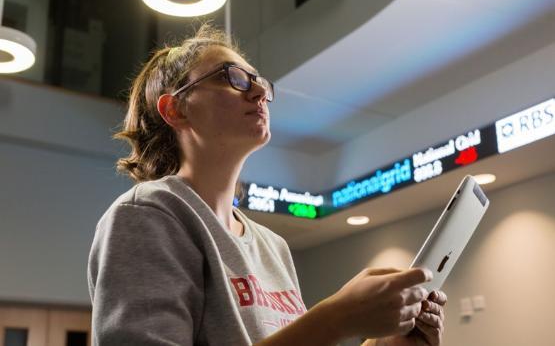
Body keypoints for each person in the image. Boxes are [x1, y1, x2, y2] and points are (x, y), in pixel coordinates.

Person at [87, 23, 447, 346]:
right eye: (233, 77)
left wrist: (387, 341)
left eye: (258, 81)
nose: (259, 91)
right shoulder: (148, 215)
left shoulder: (272, 246)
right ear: (176, 110)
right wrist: (336, 318)